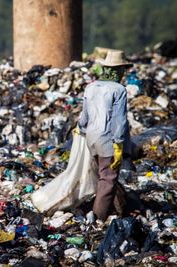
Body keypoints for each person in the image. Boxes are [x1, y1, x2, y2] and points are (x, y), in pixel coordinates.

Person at [76, 50, 133, 221]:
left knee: (103, 175)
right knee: (108, 178)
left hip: (91, 139)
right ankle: (98, 217)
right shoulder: (119, 89)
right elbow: (120, 120)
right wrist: (119, 143)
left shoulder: (91, 87)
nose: (123, 73)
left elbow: (84, 117)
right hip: (108, 139)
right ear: (118, 70)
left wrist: (80, 129)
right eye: (122, 69)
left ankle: (117, 208)